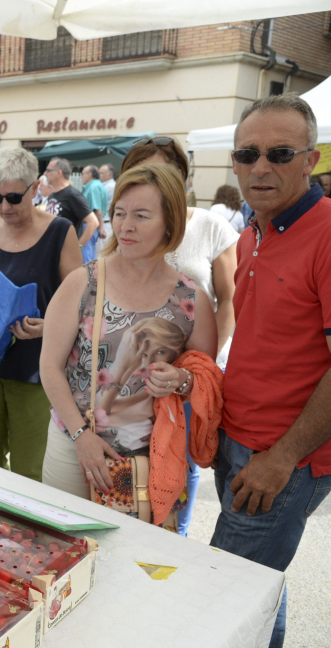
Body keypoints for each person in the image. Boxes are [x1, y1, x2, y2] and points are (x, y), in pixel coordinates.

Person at [212, 94, 331, 648]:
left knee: (224, 591)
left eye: (279, 153)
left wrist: (281, 457)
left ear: (312, 160)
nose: (260, 167)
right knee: (256, 591)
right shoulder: (255, 231)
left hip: (285, 457)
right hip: (241, 443)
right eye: (247, 154)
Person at [39, 163, 217, 499]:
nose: (125, 226)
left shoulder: (192, 300)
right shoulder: (83, 281)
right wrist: (81, 436)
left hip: (151, 455)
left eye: (141, 215)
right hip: (72, 445)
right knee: (64, 542)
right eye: (119, 213)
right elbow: (50, 366)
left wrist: (181, 379)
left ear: (170, 223)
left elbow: (203, 380)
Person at [120, 136, 239, 536]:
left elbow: (229, 299)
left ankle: (175, 541)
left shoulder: (210, 226)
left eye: (165, 173)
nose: (153, 181)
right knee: (130, 469)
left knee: (178, 465)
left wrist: (203, 359)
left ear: (183, 180)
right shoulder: (126, 222)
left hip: (185, 371)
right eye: (140, 172)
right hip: (130, 376)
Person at [0, 148, 82, 481]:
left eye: (13, 197)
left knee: (31, 473)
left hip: (38, 373)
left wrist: (48, 328)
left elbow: (84, 303)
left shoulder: (59, 232)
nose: (5, 207)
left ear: (36, 187)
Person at [44, 158, 99, 262]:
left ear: (58, 172)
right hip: (53, 251)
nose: (45, 173)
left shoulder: (72, 194)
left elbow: (93, 222)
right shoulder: (52, 195)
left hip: (66, 255)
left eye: (48, 170)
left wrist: (78, 247)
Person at [81, 165, 108, 246]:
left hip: (90, 226)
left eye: (82, 174)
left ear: (90, 174)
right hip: (94, 225)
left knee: (87, 257)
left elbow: (98, 211)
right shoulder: (98, 185)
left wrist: (100, 229)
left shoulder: (93, 187)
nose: (81, 176)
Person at [99, 164, 117, 238]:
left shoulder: (110, 186)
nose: (99, 175)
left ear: (109, 175)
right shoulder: (105, 186)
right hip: (104, 223)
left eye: (101, 173)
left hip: (106, 224)